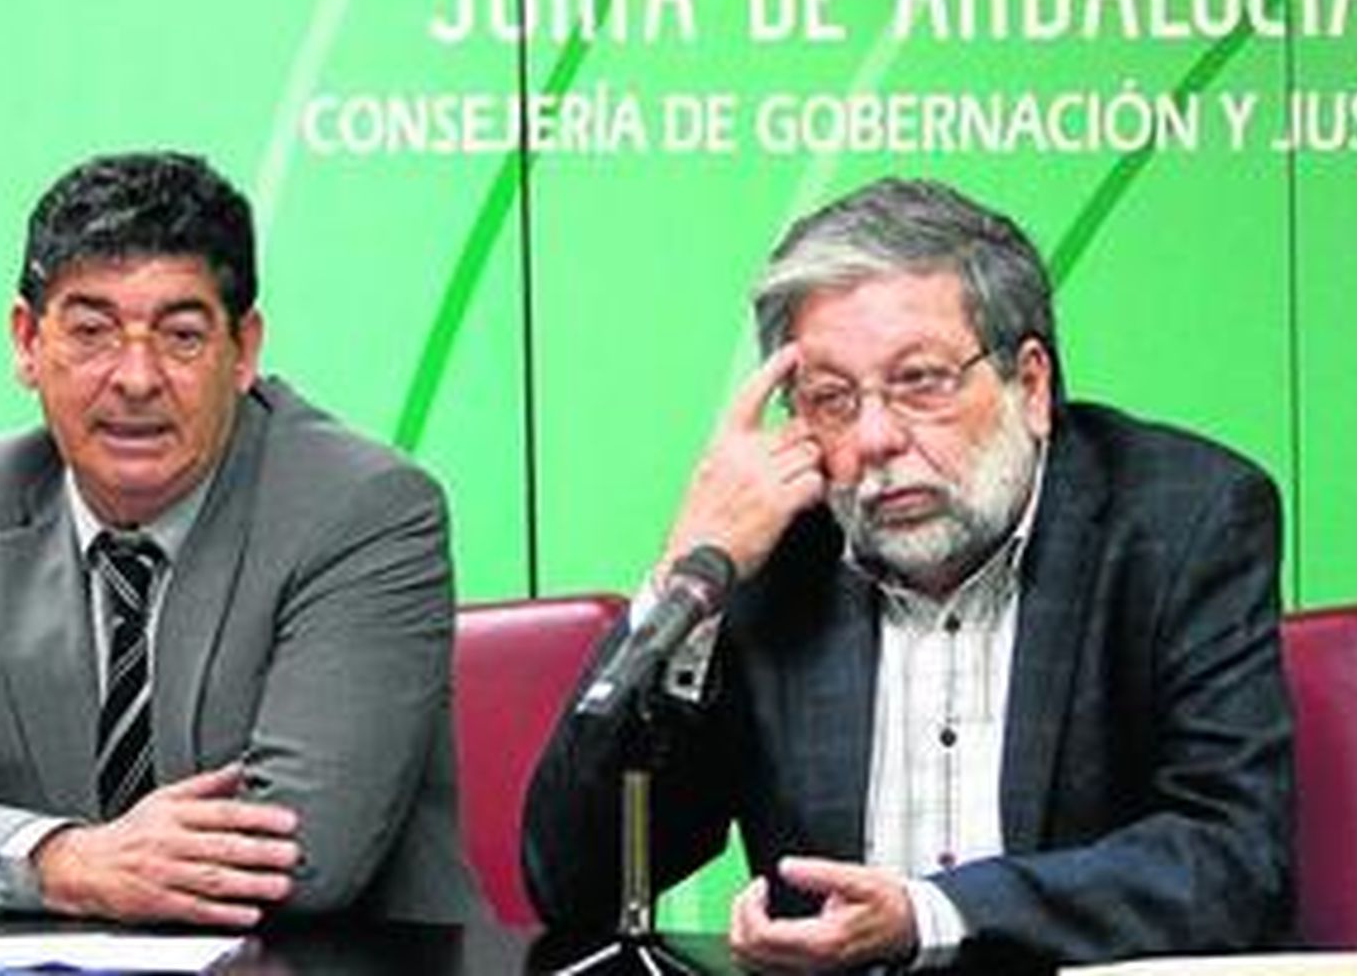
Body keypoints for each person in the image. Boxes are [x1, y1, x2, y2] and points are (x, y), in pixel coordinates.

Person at [524, 177, 1293, 972]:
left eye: (920, 382)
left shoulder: (1181, 518)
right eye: (830, 398)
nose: (877, 437)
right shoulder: (776, 548)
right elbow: (575, 883)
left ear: (1029, 384)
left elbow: (1234, 856)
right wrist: (695, 564)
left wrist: (930, 914)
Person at [0, 151, 476, 927]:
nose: (136, 377)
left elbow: (296, 856)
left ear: (245, 349)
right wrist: (57, 858)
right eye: (92, 330)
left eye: (182, 334)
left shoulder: (361, 509)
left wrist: (22, 858)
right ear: (27, 341)